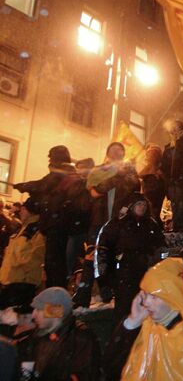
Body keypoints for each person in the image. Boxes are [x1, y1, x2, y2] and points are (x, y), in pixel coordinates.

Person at [103, 258, 183, 380]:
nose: (146, 302)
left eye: (154, 297)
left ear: (172, 297)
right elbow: (110, 369)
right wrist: (132, 323)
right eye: (145, 294)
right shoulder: (145, 326)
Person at [14, 145, 78, 288]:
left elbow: (43, 185)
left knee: (54, 262)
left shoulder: (62, 171)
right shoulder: (61, 172)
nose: (49, 159)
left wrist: (25, 186)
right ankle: (53, 290)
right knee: (53, 262)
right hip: (54, 223)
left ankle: (54, 291)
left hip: (58, 224)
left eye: (51, 156)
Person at [95, 193, 165, 322]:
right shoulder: (116, 224)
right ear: (131, 206)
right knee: (124, 314)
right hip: (123, 277)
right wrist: (104, 281)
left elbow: (161, 249)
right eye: (139, 204)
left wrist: (158, 269)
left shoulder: (151, 225)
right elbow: (103, 252)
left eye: (144, 204)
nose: (142, 207)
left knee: (145, 313)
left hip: (146, 276)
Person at [16, 287, 100, 380]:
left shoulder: (80, 339)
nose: (33, 315)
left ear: (53, 312)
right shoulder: (37, 335)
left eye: (38, 310)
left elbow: (84, 374)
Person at [0, 198, 45, 310]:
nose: (20, 211)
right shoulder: (23, 228)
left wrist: (17, 261)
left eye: (23, 209)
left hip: (22, 285)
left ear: (30, 211)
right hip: (10, 282)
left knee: (14, 320)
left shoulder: (37, 231)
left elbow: (36, 258)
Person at [138, 144, 166, 226]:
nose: (149, 157)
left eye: (152, 154)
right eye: (149, 154)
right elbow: (140, 175)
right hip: (150, 193)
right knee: (151, 211)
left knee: (154, 211)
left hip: (156, 193)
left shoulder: (160, 168)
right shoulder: (150, 167)